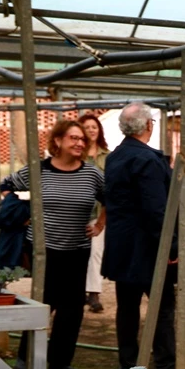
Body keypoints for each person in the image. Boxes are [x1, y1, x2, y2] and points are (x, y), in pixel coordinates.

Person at [3, 119, 105, 369]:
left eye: (82, 139)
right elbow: (7, 185)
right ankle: (26, 358)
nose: (80, 143)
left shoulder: (91, 174)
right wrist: (23, 214)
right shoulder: (38, 171)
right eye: (74, 138)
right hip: (43, 250)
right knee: (42, 303)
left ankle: (60, 362)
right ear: (58, 141)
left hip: (77, 249)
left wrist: (100, 224)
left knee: (71, 309)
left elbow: (112, 198)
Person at [102, 102, 176, 369]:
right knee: (163, 307)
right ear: (148, 126)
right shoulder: (147, 159)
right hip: (148, 247)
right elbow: (156, 209)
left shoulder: (115, 157)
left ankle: (129, 364)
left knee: (127, 308)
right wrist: (171, 245)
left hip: (122, 246)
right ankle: (166, 365)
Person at [79, 114, 109, 314]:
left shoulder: (107, 156)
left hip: (98, 212)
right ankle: (78, 290)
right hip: (76, 212)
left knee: (96, 252)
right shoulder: (75, 153)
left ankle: (94, 293)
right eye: (87, 127)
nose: (91, 130)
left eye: (94, 126)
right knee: (78, 253)